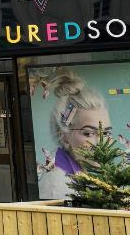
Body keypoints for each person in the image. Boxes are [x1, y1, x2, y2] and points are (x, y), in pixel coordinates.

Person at [38, 68, 112, 200]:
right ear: (64, 136)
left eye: (106, 133)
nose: (101, 143)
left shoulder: (82, 174)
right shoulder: (57, 188)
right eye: (88, 133)